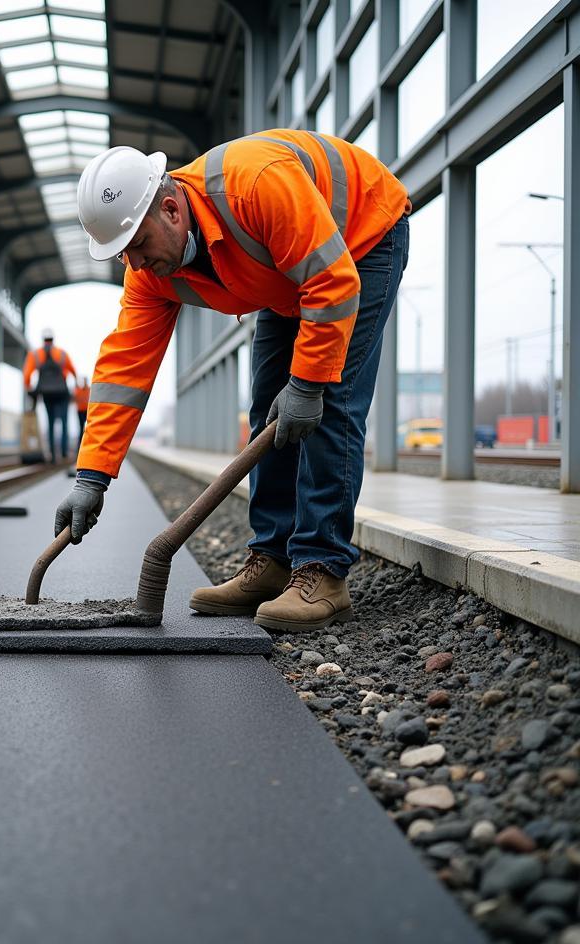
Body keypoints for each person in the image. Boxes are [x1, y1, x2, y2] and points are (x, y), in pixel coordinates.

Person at [55, 132, 410, 632]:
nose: (134, 263)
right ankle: (273, 559)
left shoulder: (253, 185)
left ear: (172, 210)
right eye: (121, 255)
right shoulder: (149, 271)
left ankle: (322, 570)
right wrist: (91, 476)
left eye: (136, 245)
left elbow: (331, 281)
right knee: (269, 407)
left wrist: (309, 383)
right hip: (288, 272)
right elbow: (124, 369)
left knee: (329, 401)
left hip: (360, 241)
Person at [22, 328, 77, 462]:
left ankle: (52, 455)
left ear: (43, 339)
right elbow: (73, 371)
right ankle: (63, 453)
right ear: (53, 339)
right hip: (62, 393)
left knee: (51, 422)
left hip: (46, 394)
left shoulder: (35, 355)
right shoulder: (62, 354)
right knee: (64, 422)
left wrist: (29, 388)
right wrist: (75, 386)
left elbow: (27, 375)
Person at [74, 375, 91, 447]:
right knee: (81, 428)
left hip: (87, 411)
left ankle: (86, 443)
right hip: (80, 411)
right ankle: (80, 445)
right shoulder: (78, 390)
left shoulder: (89, 390)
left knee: (87, 428)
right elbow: (76, 398)